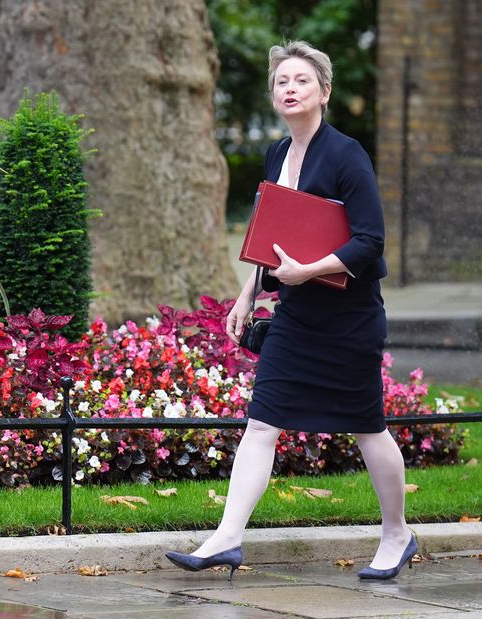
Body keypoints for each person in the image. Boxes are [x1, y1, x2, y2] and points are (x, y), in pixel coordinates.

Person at [166, 41, 416, 581]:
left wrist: (308, 270)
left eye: (301, 80)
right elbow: (272, 237)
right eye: (281, 81)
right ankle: (227, 538)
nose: (290, 89)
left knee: (369, 428)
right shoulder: (277, 156)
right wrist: (247, 293)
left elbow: (370, 240)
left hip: (349, 318)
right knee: (261, 423)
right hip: (296, 316)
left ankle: (397, 534)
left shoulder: (347, 154)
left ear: (323, 92)